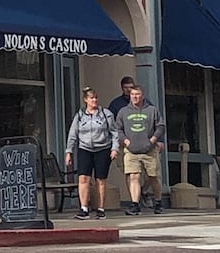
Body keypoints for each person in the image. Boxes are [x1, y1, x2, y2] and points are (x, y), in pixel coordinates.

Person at [64, 86, 117, 220]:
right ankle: (84, 208)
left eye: (95, 98)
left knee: (100, 179)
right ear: (85, 100)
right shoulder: (80, 115)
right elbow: (72, 134)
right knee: (83, 178)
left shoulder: (106, 114)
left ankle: (100, 209)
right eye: (91, 98)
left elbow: (114, 132)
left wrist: (114, 148)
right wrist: (69, 151)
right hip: (85, 148)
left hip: (102, 149)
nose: (94, 100)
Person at [113, 82, 166, 216]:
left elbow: (160, 127)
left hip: (149, 150)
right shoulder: (123, 111)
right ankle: (135, 205)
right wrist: (125, 141)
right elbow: (117, 129)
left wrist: (153, 140)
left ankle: (158, 202)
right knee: (133, 176)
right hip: (131, 150)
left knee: (153, 177)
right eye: (132, 94)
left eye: (137, 94)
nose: (135, 97)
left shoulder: (152, 110)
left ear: (143, 96)